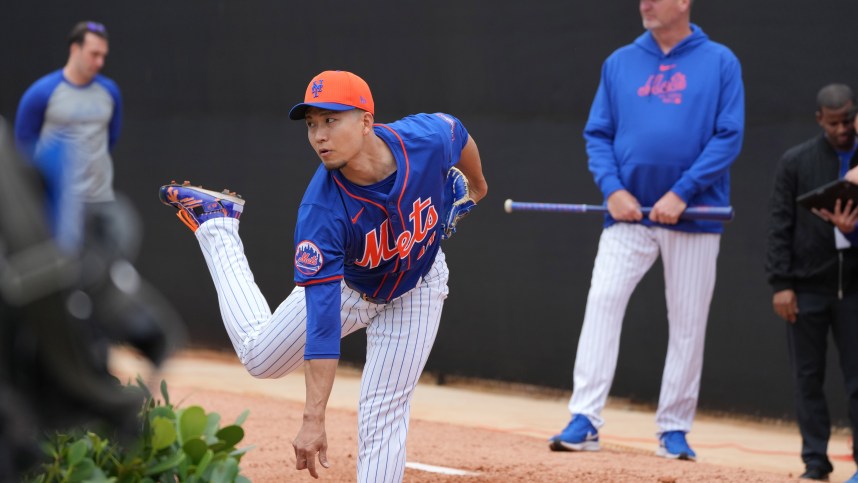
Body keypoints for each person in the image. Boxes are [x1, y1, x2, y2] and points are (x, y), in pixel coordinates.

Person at [158, 70, 487, 482]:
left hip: (416, 287)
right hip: (349, 289)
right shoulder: (321, 213)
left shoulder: (423, 139)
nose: (319, 136)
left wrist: (477, 186)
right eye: (312, 124)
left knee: (382, 410)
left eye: (331, 120)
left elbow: (458, 133)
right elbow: (324, 327)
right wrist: (314, 418)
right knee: (260, 359)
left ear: (367, 121)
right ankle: (218, 224)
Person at [549, 0, 744, 461]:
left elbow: (729, 134)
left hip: (694, 215)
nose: (646, 3)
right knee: (602, 302)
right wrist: (613, 189)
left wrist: (683, 192)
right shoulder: (620, 62)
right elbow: (598, 133)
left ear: (684, 2)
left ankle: (674, 427)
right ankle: (585, 418)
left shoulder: (720, 61)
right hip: (628, 215)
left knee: (688, 322)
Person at [766, 84, 858, 483]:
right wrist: (781, 283)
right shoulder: (797, 162)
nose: (843, 129)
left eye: (849, 120)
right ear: (820, 120)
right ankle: (815, 462)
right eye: (834, 122)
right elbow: (779, 226)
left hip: (854, 287)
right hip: (808, 286)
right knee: (808, 377)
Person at [14, 20, 122, 253]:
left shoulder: (109, 92)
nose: (99, 62)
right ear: (75, 49)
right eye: (94, 54)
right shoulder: (41, 93)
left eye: (103, 55)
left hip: (97, 199)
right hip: (54, 205)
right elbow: (23, 149)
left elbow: (110, 138)